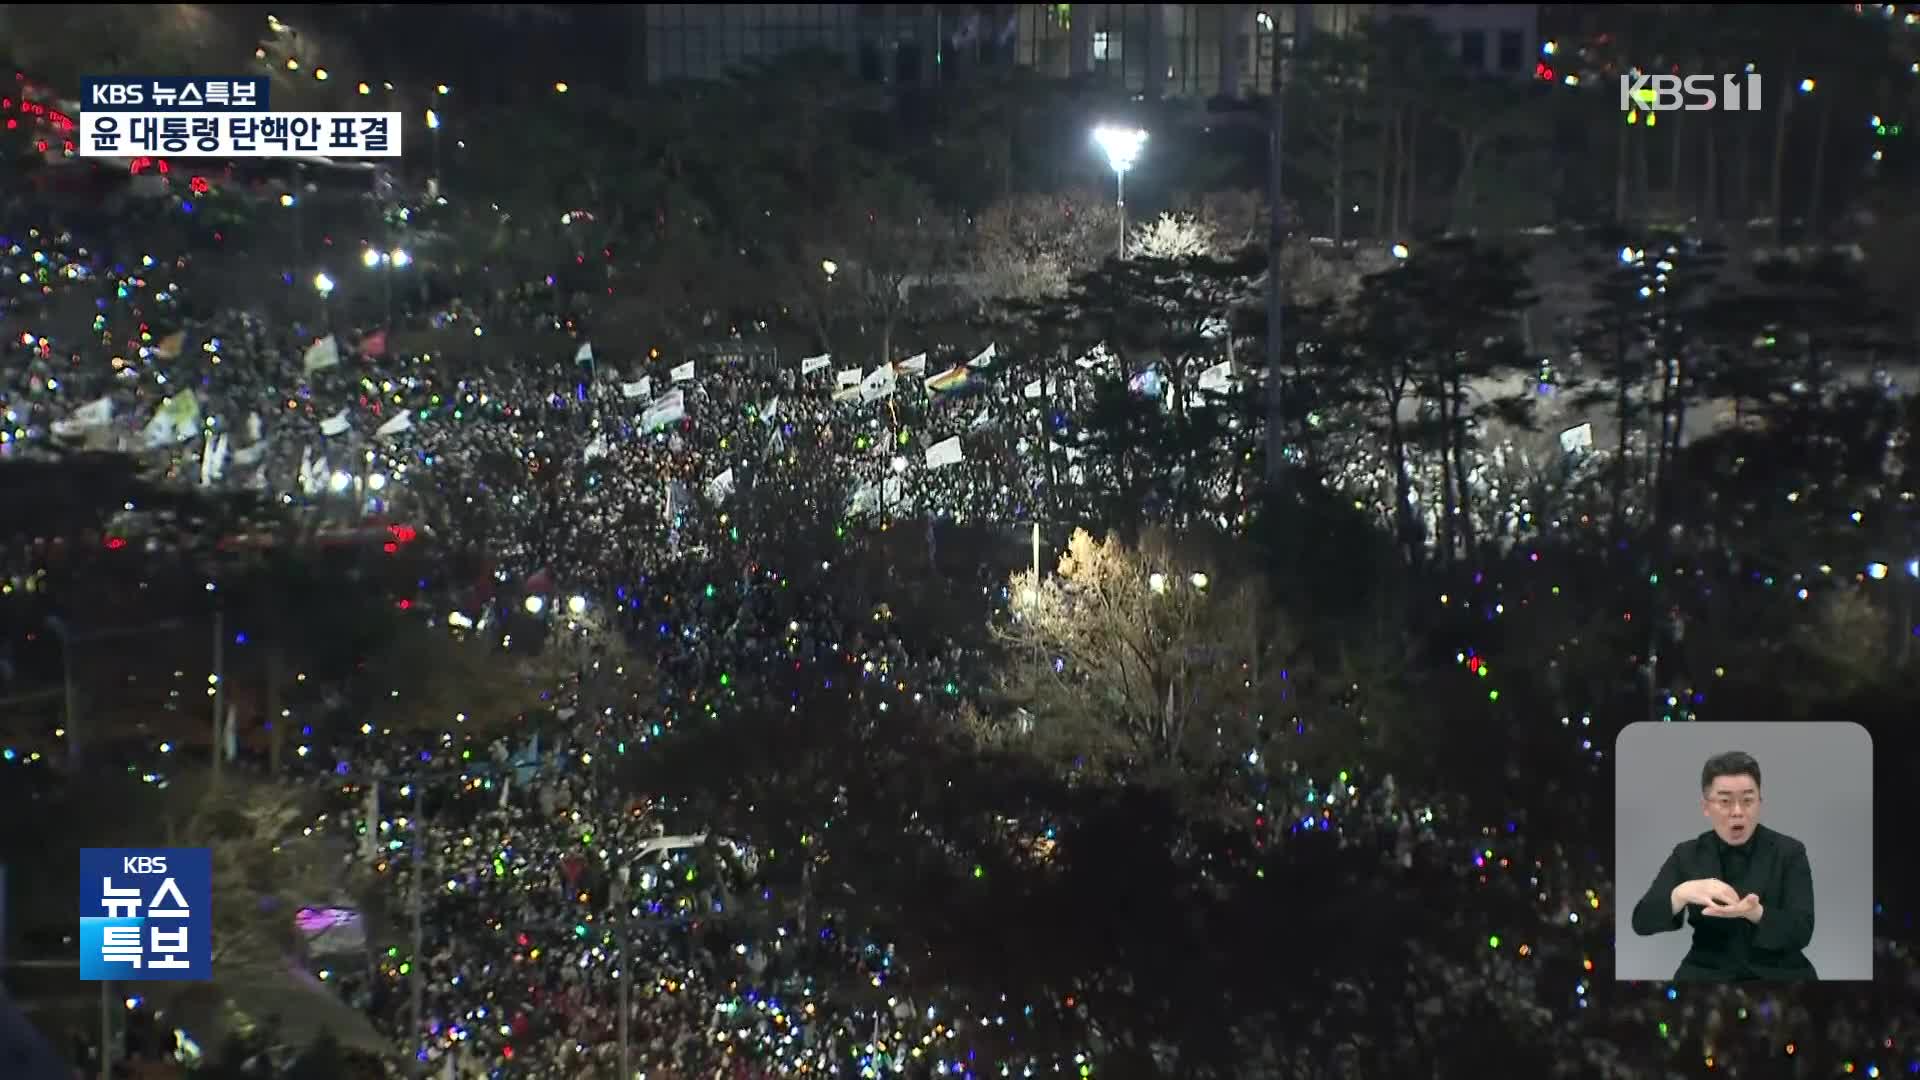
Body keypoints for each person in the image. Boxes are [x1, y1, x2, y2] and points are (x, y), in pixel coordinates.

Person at [1629, 750, 1818, 981]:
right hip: (1706, 971)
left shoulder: (1790, 851)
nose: (1737, 812)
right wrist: (1681, 893)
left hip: (1779, 971)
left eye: (1747, 800)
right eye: (1725, 801)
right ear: (1706, 807)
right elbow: (1641, 922)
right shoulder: (1686, 854)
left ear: (1760, 803)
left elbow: (1802, 931)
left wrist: (1756, 913)